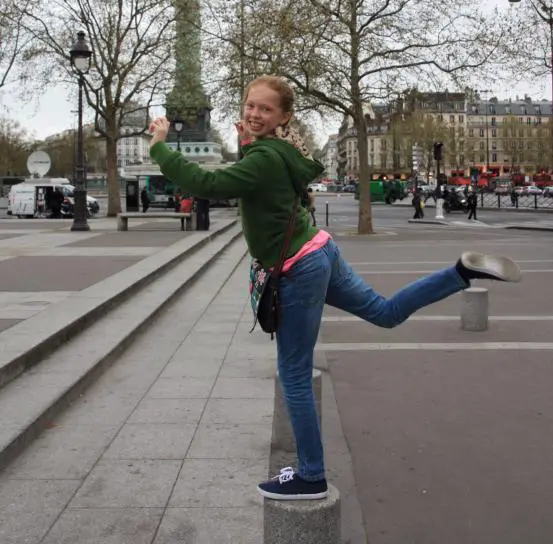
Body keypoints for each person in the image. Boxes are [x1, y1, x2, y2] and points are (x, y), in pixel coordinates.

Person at [148, 74, 521, 502]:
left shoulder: (265, 157)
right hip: (320, 250)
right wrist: (249, 145)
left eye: (265, 109)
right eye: (251, 105)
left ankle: (311, 475)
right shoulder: (281, 152)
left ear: (283, 116)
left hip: (297, 269)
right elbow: (262, 181)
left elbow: (209, 186)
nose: (254, 113)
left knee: (293, 375)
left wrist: (160, 147)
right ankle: (459, 273)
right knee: (385, 313)